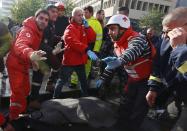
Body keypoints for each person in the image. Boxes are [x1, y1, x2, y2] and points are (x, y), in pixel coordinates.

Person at [97, 14, 155, 131]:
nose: (109, 32)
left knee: (138, 110)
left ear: (123, 29)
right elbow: (111, 65)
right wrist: (103, 79)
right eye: (108, 29)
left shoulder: (137, 38)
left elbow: (132, 52)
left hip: (146, 81)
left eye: (112, 29)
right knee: (124, 105)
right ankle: (119, 126)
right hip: (133, 79)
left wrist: (119, 61)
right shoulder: (117, 44)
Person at [146, 7, 187, 131]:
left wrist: (180, 48)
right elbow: (158, 65)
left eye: (169, 31)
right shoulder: (166, 40)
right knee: (164, 123)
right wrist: (153, 88)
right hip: (176, 96)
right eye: (164, 32)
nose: (165, 36)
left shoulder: (176, 42)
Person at [6, 9, 49, 122]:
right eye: (41, 18)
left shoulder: (37, 31)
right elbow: (21, 45)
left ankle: (20, 113)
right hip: (16, 65)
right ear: (35, 18)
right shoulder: (28, 30)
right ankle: (13, 119)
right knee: (18, 93)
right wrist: (30, 54)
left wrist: (32, 61)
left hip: (22, 64)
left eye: (46, 20)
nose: (43, 21)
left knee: (25, 89)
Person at [53, 7, 97, 98]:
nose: (81, 17)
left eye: (82, 15)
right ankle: (55, 98)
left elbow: (92, 38)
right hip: (70, 61)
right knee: (61, 80)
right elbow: (73, 42)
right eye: (78, 15)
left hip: (80, 61)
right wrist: (86, 50)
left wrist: (88, 27)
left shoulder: (83, 27)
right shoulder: (69, 28)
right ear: (73, 16)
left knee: (83, 81)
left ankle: (85, 98)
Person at [29, 5, 63, 108]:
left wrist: (60, 38)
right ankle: (33, 100)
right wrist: (52, 51)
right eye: (53, 11)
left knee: (44, 73)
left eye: (57, 12)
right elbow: (41, 43)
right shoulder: (46, 25)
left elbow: (50, 37)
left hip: (44, 54)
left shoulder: (51, 24)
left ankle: (48, 85)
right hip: (39, 55)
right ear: (47, 12)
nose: (56, 14)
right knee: (38, 76)